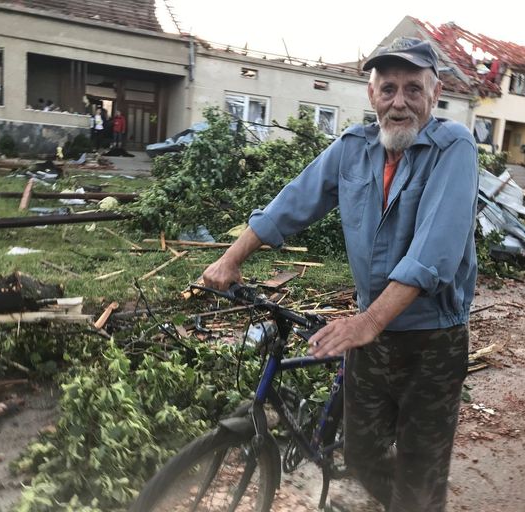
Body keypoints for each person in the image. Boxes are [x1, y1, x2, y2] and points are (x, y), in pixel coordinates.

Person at [203, 37, 478, 512]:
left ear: (434, 96)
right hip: (370, 334)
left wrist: (366, 322)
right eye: (388, 88)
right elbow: (293, 202)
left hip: (432, 339)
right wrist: (231, 257)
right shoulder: (354, 146)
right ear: (371, 95)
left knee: (419, 469)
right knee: (362, 453)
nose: (399, 102)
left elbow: (434, 252)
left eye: (413, 89)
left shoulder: (453, 147)